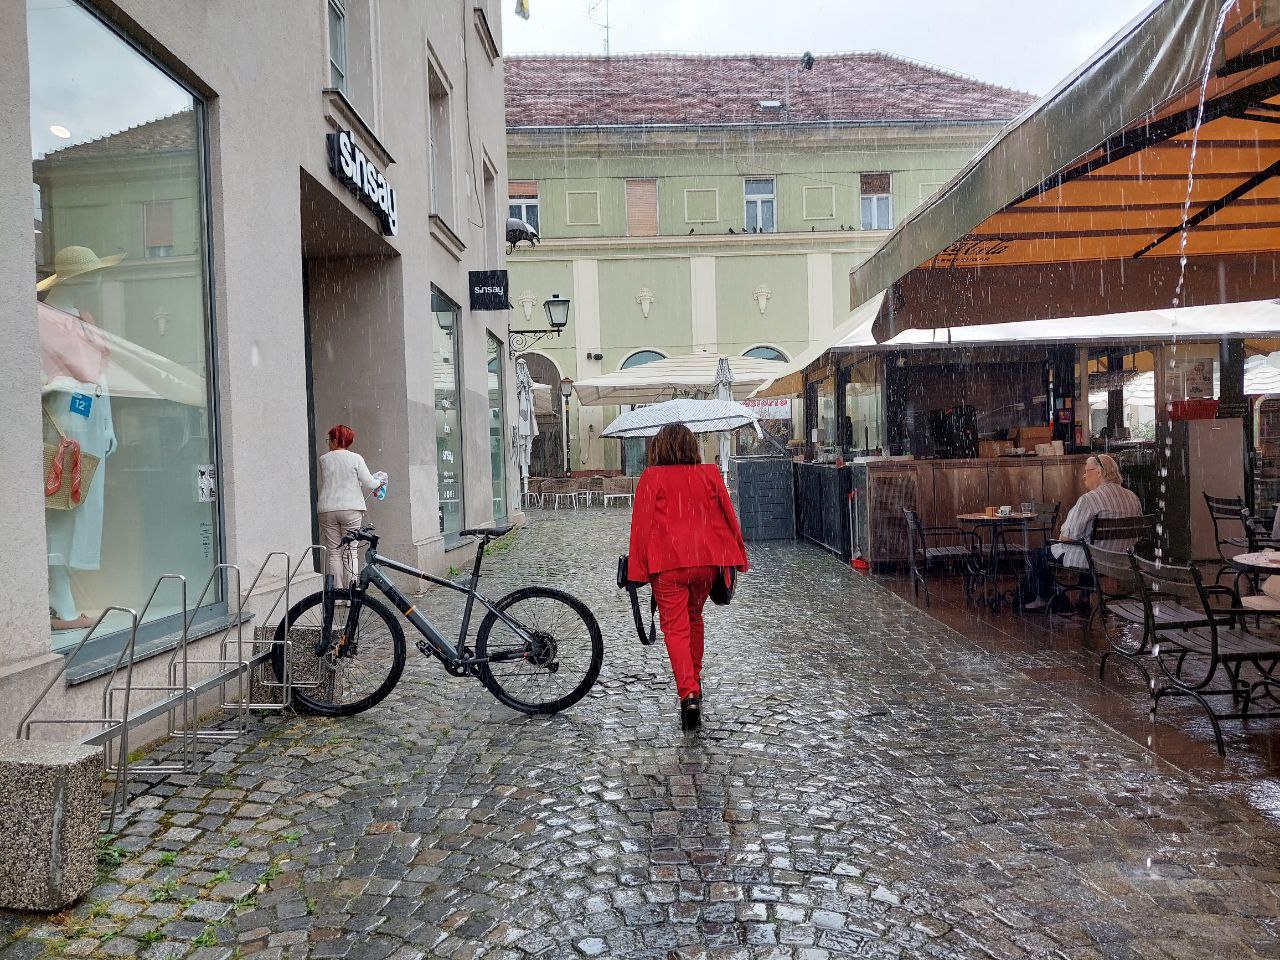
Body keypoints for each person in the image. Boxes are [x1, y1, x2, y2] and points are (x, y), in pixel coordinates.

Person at [627, 424, 749, 730]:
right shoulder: (707, 474)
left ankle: (689, 693)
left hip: (668, 563)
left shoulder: (652, 478)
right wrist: (737, 555)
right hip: (707, 560)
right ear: (691, 446)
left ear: (659, 448)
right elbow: (728, 515)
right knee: (694, 618)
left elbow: (641, 527)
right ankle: (695, 681)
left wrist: (636, 572)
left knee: (675, 629)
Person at [1022, 453, 1142, 611]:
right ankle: (1084, 597)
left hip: (1094, 559)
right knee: (1089, 546)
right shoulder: (1132, 497)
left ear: (1099, 472)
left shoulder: (1089, 499)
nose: (1084, 475)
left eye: (1087, 471)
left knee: (1038, 555)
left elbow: (1066, 537)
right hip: (1122, 559)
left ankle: (1046, 599)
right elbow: (1138, 534)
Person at [317, 424, 386, 588]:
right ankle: (351, 594)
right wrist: (380, 481)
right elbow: (369, 482)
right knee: (350, 552)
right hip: (351, 508)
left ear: (334, 440)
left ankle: (337, 595)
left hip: (327, 508)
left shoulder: (324, 459)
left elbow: (335, 480)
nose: (328, 443)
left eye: (329, 439)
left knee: (334, 552)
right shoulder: (356, 458)